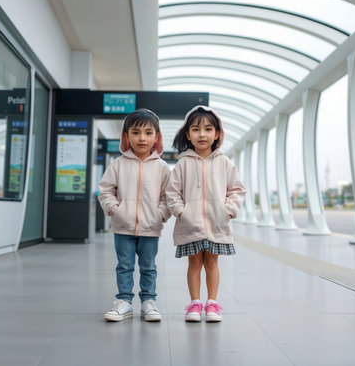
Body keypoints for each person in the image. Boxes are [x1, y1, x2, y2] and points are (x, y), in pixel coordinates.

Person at [166, 105, 246, 322]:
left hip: (217, 223)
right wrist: (182, 213)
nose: (202, 134)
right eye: (196, 129)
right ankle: (194, 304)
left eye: (208, 129)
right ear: (188, 135)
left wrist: (228, 210)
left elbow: (237, 189)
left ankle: (212, 304)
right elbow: (172, 192)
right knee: (194, 263)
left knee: (212, 263)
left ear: (217, 133)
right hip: (189, 224)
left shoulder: (225, 163)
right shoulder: (182, 164)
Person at [99, 108, 171, 322]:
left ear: (156, 137)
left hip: (151, 226)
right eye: (136, 132)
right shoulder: (118, 165)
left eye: (148, 133)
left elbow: (168, 196)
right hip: (123, 225)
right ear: (127, 136)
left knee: (149, 266)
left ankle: (149, 302)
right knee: (124, 266)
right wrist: (115, 211)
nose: (142, 138)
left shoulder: (163, 167)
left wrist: (160, 215)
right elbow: (105, 191)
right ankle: (124, 302)